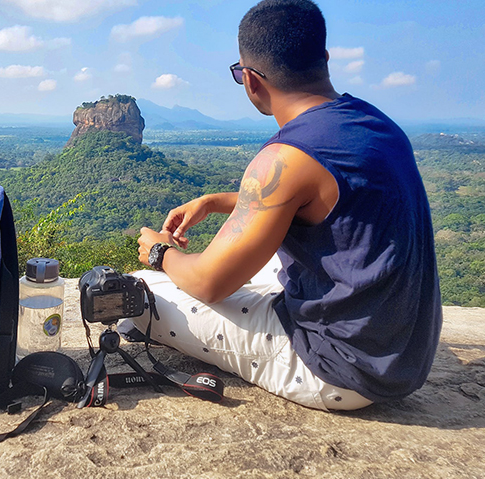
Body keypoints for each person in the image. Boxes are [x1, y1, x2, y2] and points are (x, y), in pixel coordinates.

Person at [133, 0, 442, 411]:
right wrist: (215, 202)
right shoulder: (376, 123)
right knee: (257, 263)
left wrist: (159, 252)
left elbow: (209, 283)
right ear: (325, 59)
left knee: (135, 294)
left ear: (250, 80)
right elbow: (331, 203)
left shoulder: (284, 157)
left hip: (339, 369)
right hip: (401, 353)